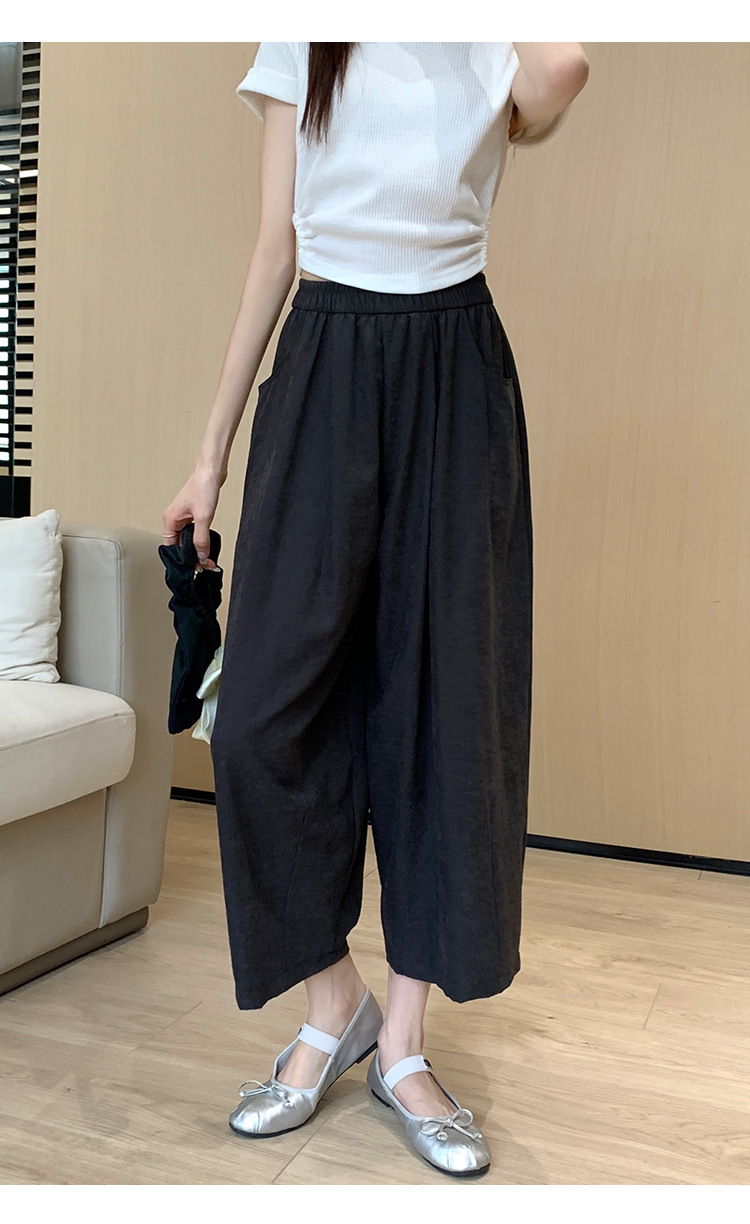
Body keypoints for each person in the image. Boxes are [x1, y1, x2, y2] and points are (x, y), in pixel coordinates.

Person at [161, 40, 589, 1178]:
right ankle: (333, 1003)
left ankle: (402, 1044)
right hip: (323, 362)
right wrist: (210, 457)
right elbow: (274, 248)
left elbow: (565, 69)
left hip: (456, 371)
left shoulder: (493, 42)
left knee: (445, 720)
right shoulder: (305, 36)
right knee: (256, 721)